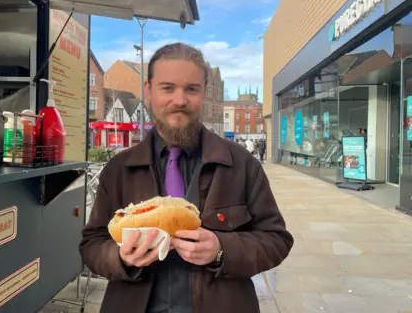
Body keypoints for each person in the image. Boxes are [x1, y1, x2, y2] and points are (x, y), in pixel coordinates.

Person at [79, 43, 293, 313]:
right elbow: (91, 245)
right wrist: (120, 258)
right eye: (167, 88)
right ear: (148, 91)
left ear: (203, 92)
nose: (180, 100)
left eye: (191, 89)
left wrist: (222, 249)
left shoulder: (242, 165)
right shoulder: (118, 169)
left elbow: (276, 240)